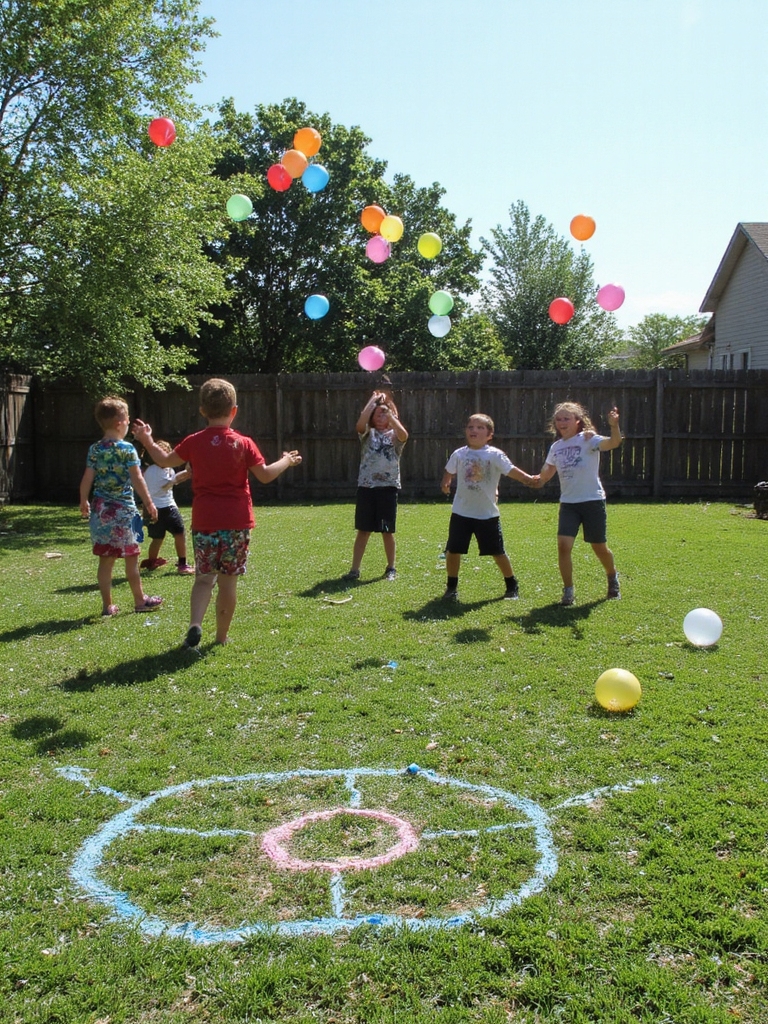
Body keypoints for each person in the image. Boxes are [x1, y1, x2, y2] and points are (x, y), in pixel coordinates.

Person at [131, 378, 302, 648]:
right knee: (227, 583)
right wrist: (287, 460)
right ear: (234, 410)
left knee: (203, 578)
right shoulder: (243, 443)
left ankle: (195, 625)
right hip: (236, 523)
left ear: (202, 411)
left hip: (205, 523)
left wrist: (146, 438)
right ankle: (221, 637)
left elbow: (163, 460)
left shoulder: (194, 442)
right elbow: (266, 475)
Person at [531, 402, 623, 605]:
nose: (562, 422)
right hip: (569, 504)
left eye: (567, 418)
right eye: (559, 419)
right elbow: (546, 473)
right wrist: (534, 480)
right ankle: (568, 591)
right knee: (563, 547)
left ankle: (612, 577)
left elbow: (614, 443)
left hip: (592, 501)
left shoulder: (588, 439)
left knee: (599, 547)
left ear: (577, 421)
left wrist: (614, 425)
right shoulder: (556, 447)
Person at [79, 397, 163, 616]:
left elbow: (87, 478)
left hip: (101, 512)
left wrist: (83, 500)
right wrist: (149, 502)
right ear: (119, 422)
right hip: (125, 512)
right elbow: (137, 479)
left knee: (106, 562)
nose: (128, 424)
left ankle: (107, 606)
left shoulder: (95, 449)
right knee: (132, 557)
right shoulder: (127, 449)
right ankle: (140, 600)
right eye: (127, 420)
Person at [440, 413, 538, 601]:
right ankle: (451, 588)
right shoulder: (459, 453)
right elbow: (449, 470)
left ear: (489, 434)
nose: (474, 430)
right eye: (470, 427)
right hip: (461, 512)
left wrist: (528, 479)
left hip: (487, 514)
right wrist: (446, 481)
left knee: (497, 551)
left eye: (479, 428)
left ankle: (511, 585)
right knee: (453, 550)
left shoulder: (494, 455)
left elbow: (511, 470)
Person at [342, 390, 408, 582]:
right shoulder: (367, 434)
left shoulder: (395, 436)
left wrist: (391, 415)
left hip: (388, 488)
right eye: (377, 413)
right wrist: (372, 401)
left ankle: (391, 567)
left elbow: (404, 434)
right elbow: (360, 423)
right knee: (364, 530)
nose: (381, 416)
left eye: (384, 413)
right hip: (367, 488)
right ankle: (355, 570)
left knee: (387, 530)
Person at [139, 441, 194, 574]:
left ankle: (182, 564)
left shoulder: (168, 469)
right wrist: (177, 479)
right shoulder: (151, 470)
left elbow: (170, 482)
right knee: (158, 538)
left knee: (179, 533)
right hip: (156, 509)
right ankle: (152, 562)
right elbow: (160, 488)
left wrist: (183, 475)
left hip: (169, 506)